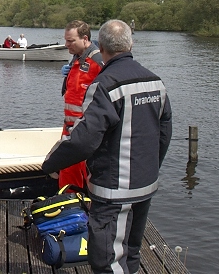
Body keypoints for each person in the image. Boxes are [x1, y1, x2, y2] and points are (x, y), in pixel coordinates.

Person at [41, 19, 172, 274]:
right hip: (146, 184)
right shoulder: (156, 82)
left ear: (101, 47)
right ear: (130, 43)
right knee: (131, 252)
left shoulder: (106, 84)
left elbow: (85, 139)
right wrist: (150, 167)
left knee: (105, 258)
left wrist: (51, 164)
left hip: (114, 189)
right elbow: (164, 133)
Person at [59, 20, 104, 190]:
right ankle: (69, 210)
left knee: (87, 178)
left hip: (86, 131)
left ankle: (85, 211)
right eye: (66, 40)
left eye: (71, 41)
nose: (66, 44)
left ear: (85, 39)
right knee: (68, 175)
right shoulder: (76, 59)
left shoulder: (98, 62)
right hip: (70, 129)